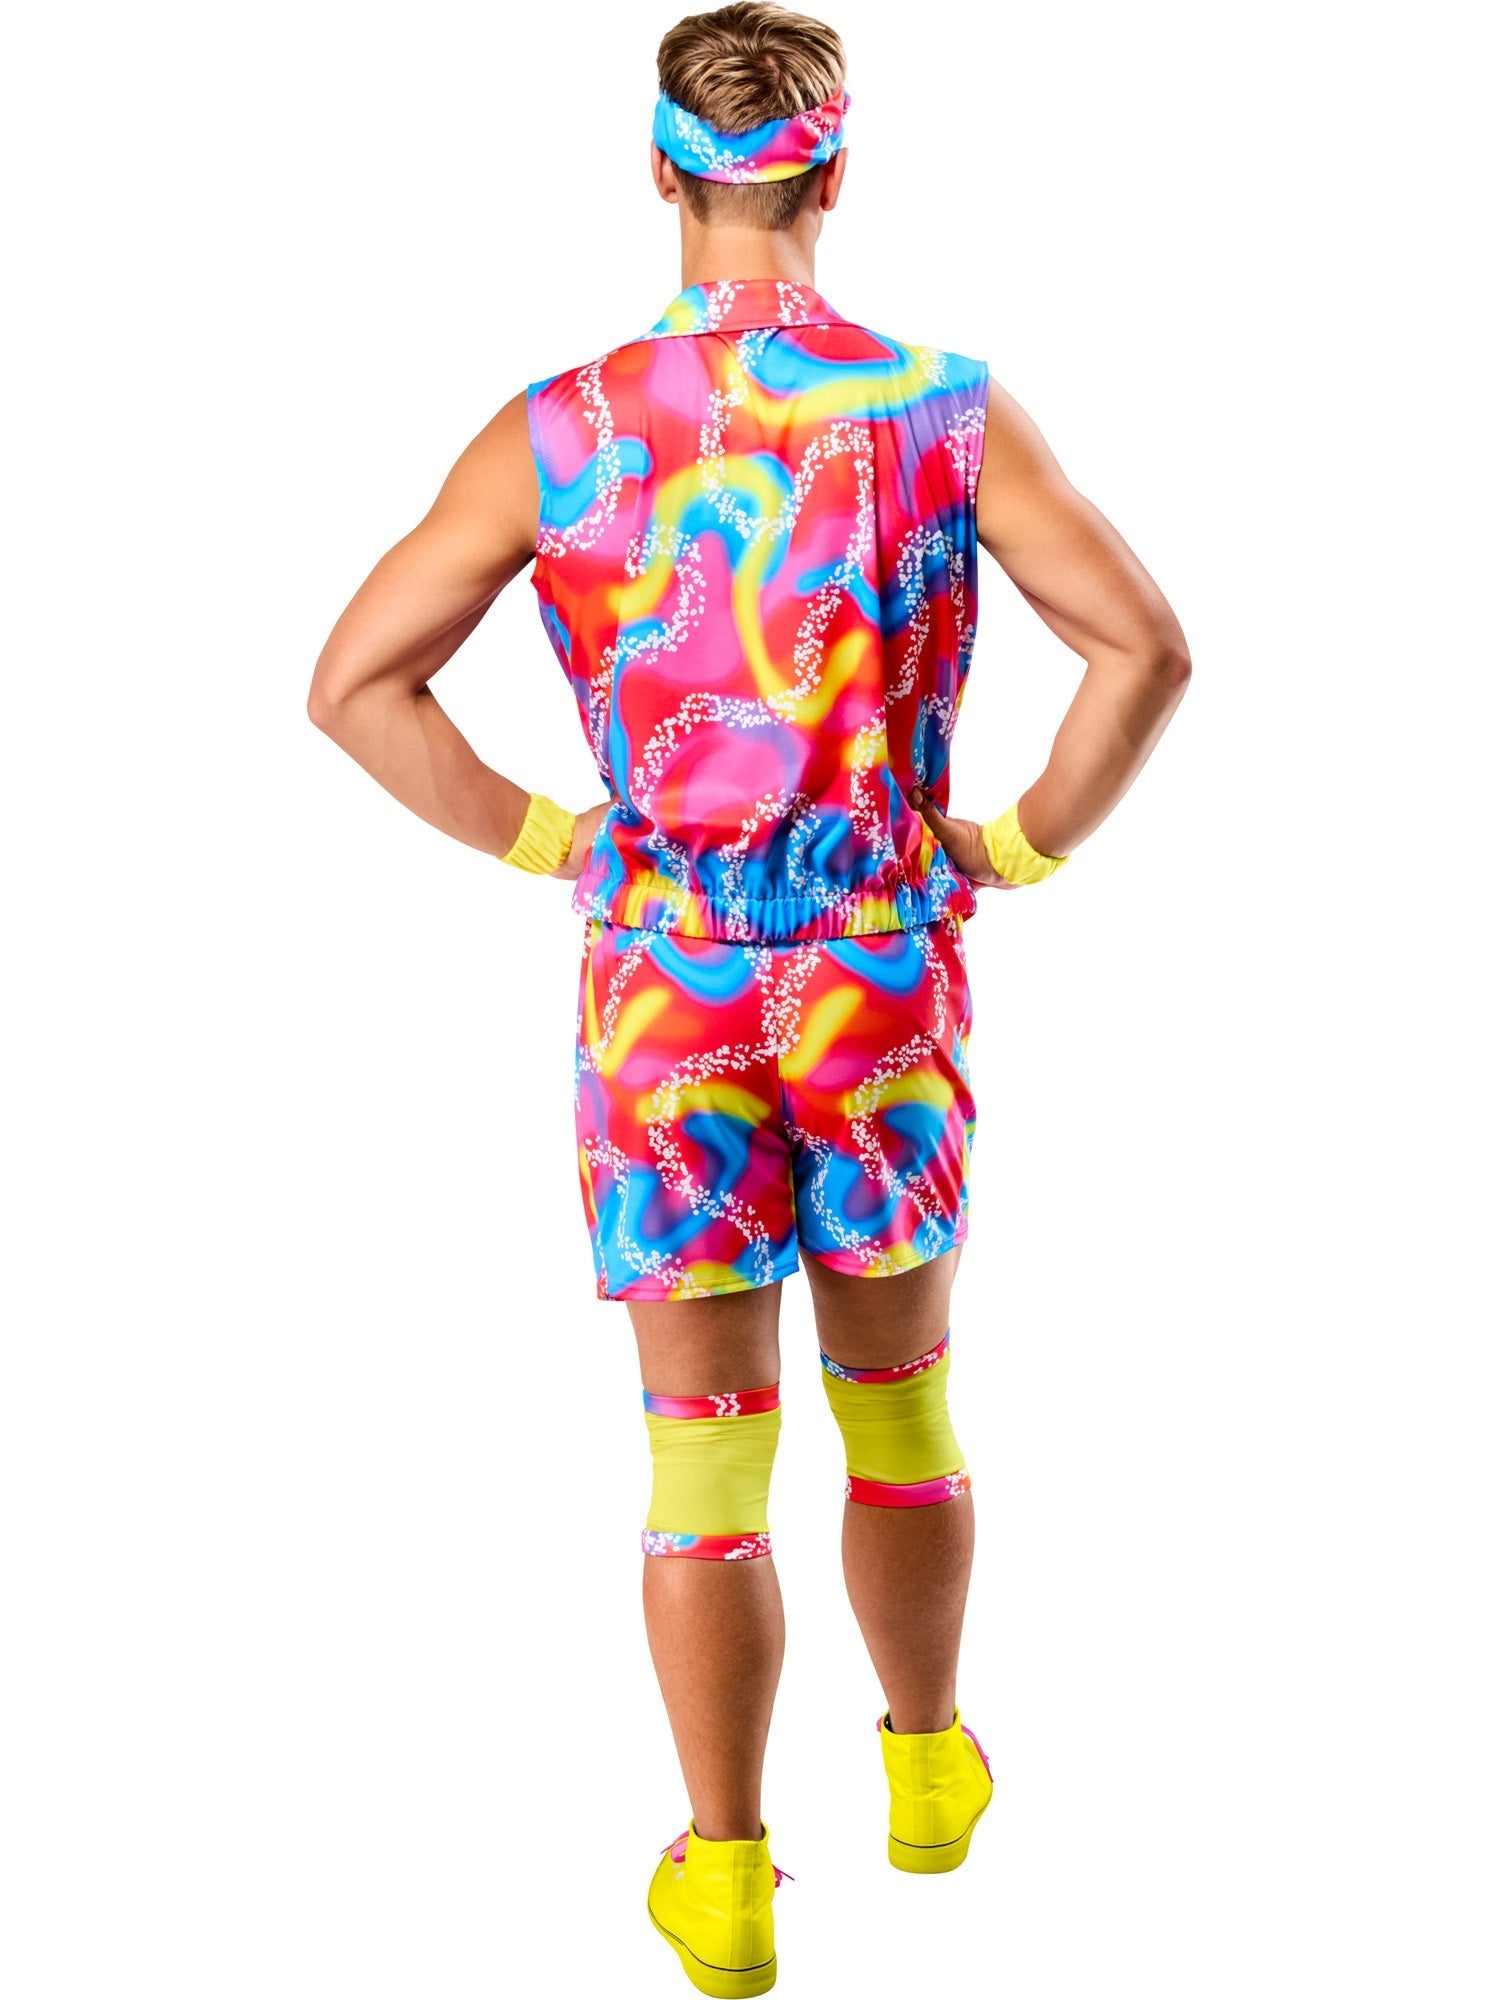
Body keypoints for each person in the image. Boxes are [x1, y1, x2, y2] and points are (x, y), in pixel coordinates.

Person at [308, 4, 1191, 1991]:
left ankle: (723, 1879)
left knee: (702, 1455)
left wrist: (569, 844)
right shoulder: (943, 409)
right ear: (836, 174)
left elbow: (353, 682)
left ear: (657, 170)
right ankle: (928, 1765)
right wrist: (1014, 847)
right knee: (904, 1402)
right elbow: (1145, 648)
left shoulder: (560, 429)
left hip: (666, 1005)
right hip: (881, 980)